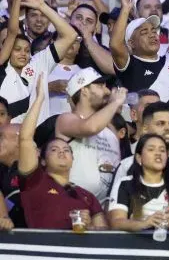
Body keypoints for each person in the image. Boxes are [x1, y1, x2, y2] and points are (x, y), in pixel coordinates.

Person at [17, 76, 107, 231]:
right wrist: (40, 99)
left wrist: (91, 226)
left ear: (73, 159)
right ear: (43, 161)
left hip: (76, 253)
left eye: (66, 150)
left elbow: (105, 234)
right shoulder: (34, 182)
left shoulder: (87, 196)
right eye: (54, 150)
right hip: (41, 252)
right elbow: (25, 139)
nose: (61, 152)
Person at [108, 134, 169, 233]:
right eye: (151, 149)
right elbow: (116, 222)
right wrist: (144, 224)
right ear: (138, 158)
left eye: (162, 150)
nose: (158, 153)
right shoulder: (125, 183)